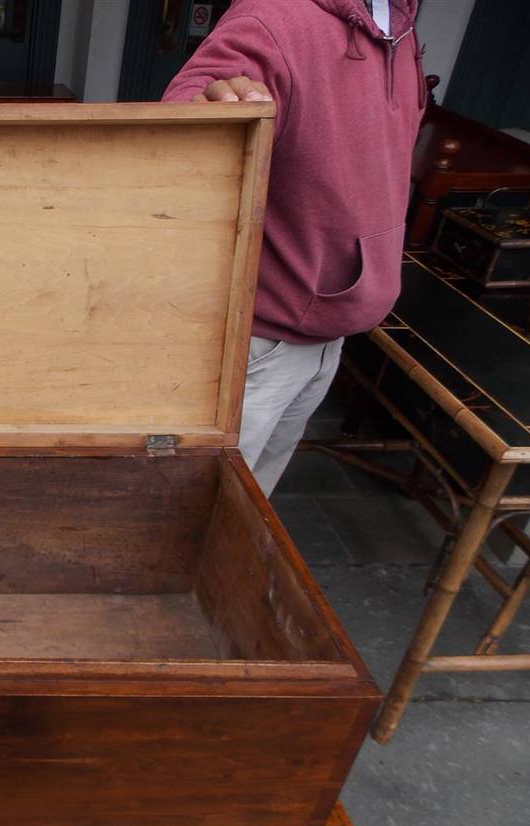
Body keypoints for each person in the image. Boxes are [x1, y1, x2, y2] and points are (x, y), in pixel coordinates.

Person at [163, 0, 426, 494]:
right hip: (260, 344)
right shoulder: (273, 16)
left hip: (329, 336)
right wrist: (207, 112)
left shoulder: (399, 26)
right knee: (195, 511)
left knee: (249, 506)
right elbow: (196, 105)